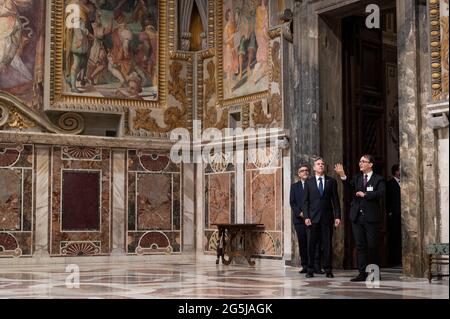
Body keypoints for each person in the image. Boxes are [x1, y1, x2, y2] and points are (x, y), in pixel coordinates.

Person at [334, 155, 385, 282]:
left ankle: (374, 273)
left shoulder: (378, 179)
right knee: (360, 246)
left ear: (371, 164)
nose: (360, 163)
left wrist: (366, 194)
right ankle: (362, 273)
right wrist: (343, 175)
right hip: (357, 217)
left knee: (372, 245)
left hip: (371, 217)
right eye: (360, 161)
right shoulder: (357, 178)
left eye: (363, 161)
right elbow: (348, 188)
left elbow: (381, 193)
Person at [302, 157, 341, 278]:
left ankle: (328, 269)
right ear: (314, 167)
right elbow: (305, 202)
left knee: (327, 244)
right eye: (318, 164)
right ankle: (310, 269)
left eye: (322, 164)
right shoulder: (309, 182)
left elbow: (335, 200)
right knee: (311, 245)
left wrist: (337, 216)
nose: (321, 165)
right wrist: (306, 217)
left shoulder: (331, 181)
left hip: (327, 219)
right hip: (312, 219)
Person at [289, 164, 322, 274]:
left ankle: (316, 266)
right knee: (303, 242)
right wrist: (301, 213)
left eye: (307, 170)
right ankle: (305, 266)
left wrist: (309, 214)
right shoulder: (294, 187)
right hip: (299, 220)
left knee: (315, 242)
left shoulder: (314, 184)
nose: (305, 172)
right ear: (299, 174)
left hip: (313, 218)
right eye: (302, 171)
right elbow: (292, 203)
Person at [386, 164, 401, 266]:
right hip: (394, 214)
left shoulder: (406, 183)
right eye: (400, 170)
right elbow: (387, 199)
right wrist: (389, 212)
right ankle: (393, 260)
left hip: (403, 215)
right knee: (394, 237)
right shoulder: (389, 184)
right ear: (396, 172)